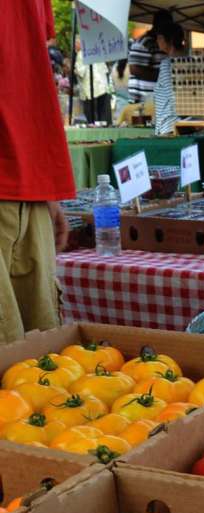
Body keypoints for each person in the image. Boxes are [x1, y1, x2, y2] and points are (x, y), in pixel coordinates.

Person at [0, 0, 75, 344]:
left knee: (41, 361)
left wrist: (43, 185)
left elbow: (26, 68)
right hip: (25, 187)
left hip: (28, 190)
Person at [128, 11, 173, 103]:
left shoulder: (162, 42)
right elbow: (135, 69)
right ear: (157, 25)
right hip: (143, 99)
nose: (168, 29)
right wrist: (162, 76)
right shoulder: (143, 42)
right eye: (166, 25)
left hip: (157, 98)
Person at [154, 23, 186, 135]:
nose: (157, 41)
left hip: (169, 126)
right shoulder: (190, 61)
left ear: (170, 40)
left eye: (160, 38)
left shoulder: (167, 64)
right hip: (186, 123)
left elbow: (172, 95)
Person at [75, 42, 112, 125]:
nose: (75, 45)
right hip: (103, 89)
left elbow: (81, 72)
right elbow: (105, 71)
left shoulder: (81, 54)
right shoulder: (98, 52)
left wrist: (75, 70)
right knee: (104, 123)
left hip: (90, 92)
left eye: (76, 42)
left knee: (92, 124)